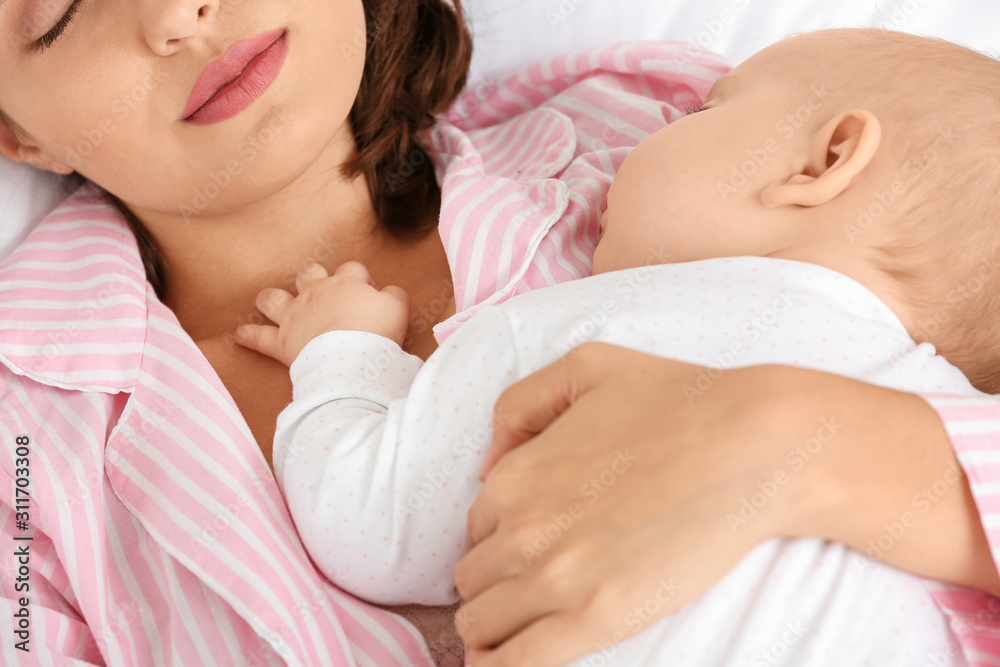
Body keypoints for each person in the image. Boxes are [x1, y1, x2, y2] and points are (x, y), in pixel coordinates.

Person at [0, 0, 995, 661]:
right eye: (62, 12)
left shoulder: (670, 134)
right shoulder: (28, 456)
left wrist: (812, 444)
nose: (179, 14)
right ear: (19, 134)